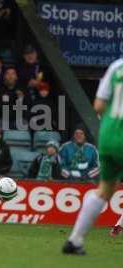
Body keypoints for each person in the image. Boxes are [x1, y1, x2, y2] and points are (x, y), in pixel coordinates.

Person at [62, 58, 123, 255]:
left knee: (106, 188)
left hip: (107, 136)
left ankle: (75, 239)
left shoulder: (116, 66)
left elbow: (97, 106)